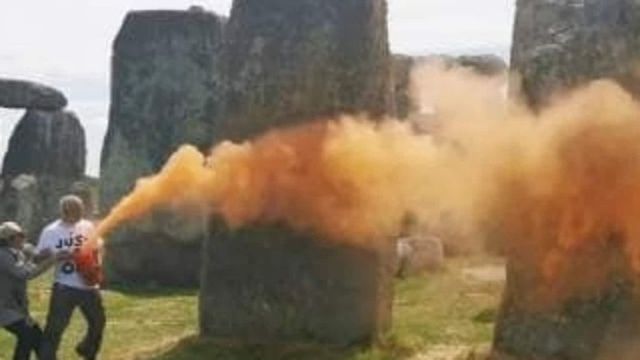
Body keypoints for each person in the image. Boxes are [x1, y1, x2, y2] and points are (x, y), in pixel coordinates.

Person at [38, 195, 105, 360]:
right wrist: (55, 256)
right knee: (55, 328)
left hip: (89, 286)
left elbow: (98, 247)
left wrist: (96, 267)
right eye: (76, 211)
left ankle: (87, 350)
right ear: (64, 211)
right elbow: (38, 257)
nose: (80, 213)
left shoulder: (88, 226)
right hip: (64, 287)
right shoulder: (51, 231)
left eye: (81, 210)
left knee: (98, 323)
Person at [0, 221, 61, 360]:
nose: (24, 238)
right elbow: (26, 274)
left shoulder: (16, 253)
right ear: (10, 239)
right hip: (4, 309)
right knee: (27, 335)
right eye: (20, 235)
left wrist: (41, 256)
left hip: (16, 308)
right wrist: (52, 259)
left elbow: (30, 262)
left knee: (36, 337)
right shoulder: (2, 256)